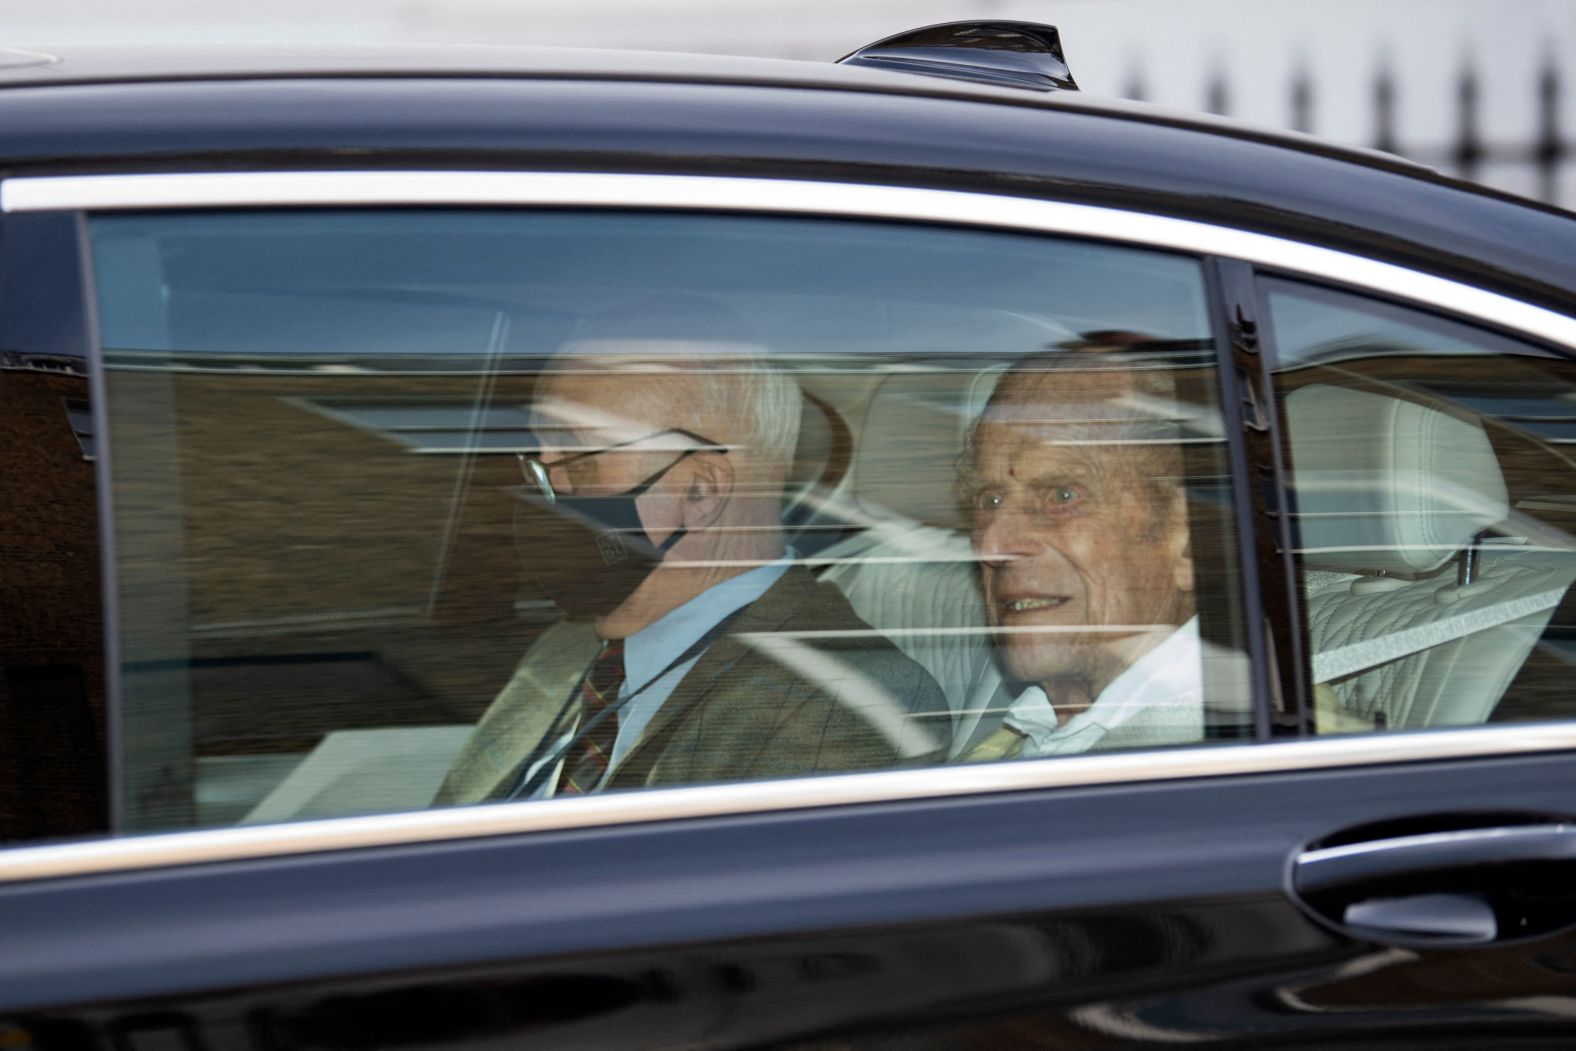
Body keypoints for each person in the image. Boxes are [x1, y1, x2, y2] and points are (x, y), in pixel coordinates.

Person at [435, 296, 948, 804]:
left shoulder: (851, 703)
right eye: (540, 460)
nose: (544, 490)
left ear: (699, 491)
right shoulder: (561, 652)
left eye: (578, 457)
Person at [960, 350, 1203, 760]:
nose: (992, 544)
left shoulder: (1246, 757)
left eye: (1062, 496)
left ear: (1186, 538)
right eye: (991, 498)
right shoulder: (1029, 734)